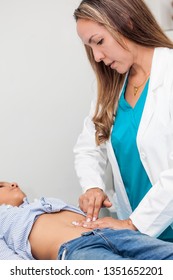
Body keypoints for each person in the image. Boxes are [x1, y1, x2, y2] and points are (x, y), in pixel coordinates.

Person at [73, 0, 173, 242]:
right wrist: (93, 187)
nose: (96, 56)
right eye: (90, 47)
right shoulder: (111, 87)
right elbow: (89, 147)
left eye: (99, 41)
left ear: (126, 22)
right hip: (140, 237)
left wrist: (132, 224)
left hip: (144, 228)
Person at [1, 181, 173, 260]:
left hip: (115, 234)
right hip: (75, 250)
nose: (14, 184)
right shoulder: (4, 222)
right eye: (1, 185)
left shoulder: (40, 203)